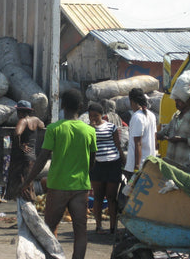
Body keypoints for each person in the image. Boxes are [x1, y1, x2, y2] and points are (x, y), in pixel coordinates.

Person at [21, 89, 97, 259]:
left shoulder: (54, 129)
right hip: (80, 187)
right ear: (81, 107)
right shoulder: (89, 131)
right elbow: (93, 160)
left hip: (57, 186)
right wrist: (84, 175)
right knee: (80, 231)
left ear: (62, 106)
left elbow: (42, 158)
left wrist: (27, 181)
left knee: (49, 229)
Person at [88, 102, 126, 235]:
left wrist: (123, 160)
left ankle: (112, 227)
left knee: (111, 197)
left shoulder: (111, 127)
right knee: (98, 196)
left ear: (102, 115)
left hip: (113, 163)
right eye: (91, 115)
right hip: (96, 165)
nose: (93, 118)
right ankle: (98, 226)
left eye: (96, 116)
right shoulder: (88, 129)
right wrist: (91, 129)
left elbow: (117, 145)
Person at [4, 100, 45, 202]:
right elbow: (42, 125)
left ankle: (27, 204)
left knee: (20, 184)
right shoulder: (35, 120)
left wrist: (21, 145)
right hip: (31, 158)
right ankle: (28, 203)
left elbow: (17, 133)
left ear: (20, 112)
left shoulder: (23, 121)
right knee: (28, 182)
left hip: (21, 159)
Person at [156, 72, 190, 167]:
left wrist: (183, 140)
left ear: (186, 100)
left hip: (184, 164)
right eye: (175, 101)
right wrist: (158, 135)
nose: (176, 103)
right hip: (171, 163)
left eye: (179, 101)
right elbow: (165, 131)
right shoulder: (176, 116)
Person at [124, 88, 157, 179]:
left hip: (138, 165)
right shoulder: (151, 115)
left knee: (132, 192)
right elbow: (155, 138)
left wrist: (136, 167)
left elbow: (138, 143)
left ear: (132, 101)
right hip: (149, 163)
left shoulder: (137, 117)